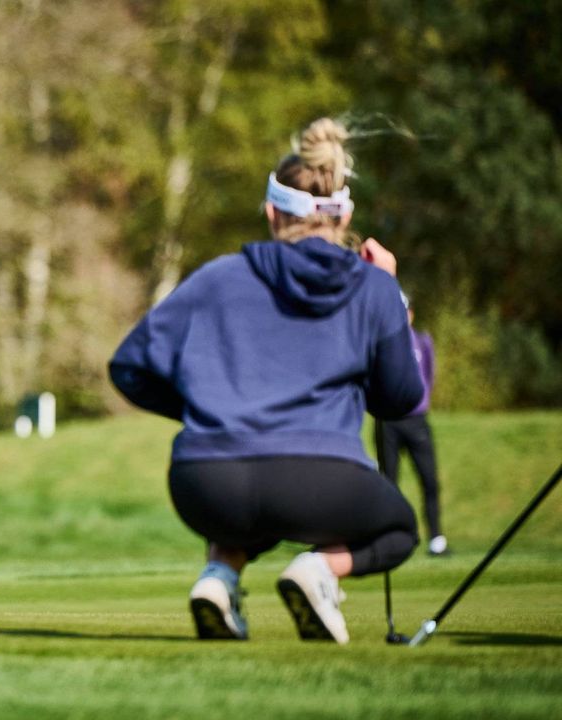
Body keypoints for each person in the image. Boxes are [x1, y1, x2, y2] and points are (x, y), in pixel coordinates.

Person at [109, 118, 424, 644]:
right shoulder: (373, 287)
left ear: (273, 211)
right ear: (344, 215)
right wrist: (390, 296)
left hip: (204, 484)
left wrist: (206, 408)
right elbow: (400, 399)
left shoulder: (218, 276)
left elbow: (129, 366)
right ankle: (318, 572)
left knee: (247, 509)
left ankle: (219, 578)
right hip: (320, 483)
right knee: (400, 529)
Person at [374, 293, 447, 556]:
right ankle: (386, 539)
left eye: (404, 311)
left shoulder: (422, 342)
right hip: (387, 422)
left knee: (429, 480)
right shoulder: (379, 342)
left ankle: (436, 538)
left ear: (411, 313)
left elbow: (428, 377)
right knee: (388, 482)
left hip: (417, 421)